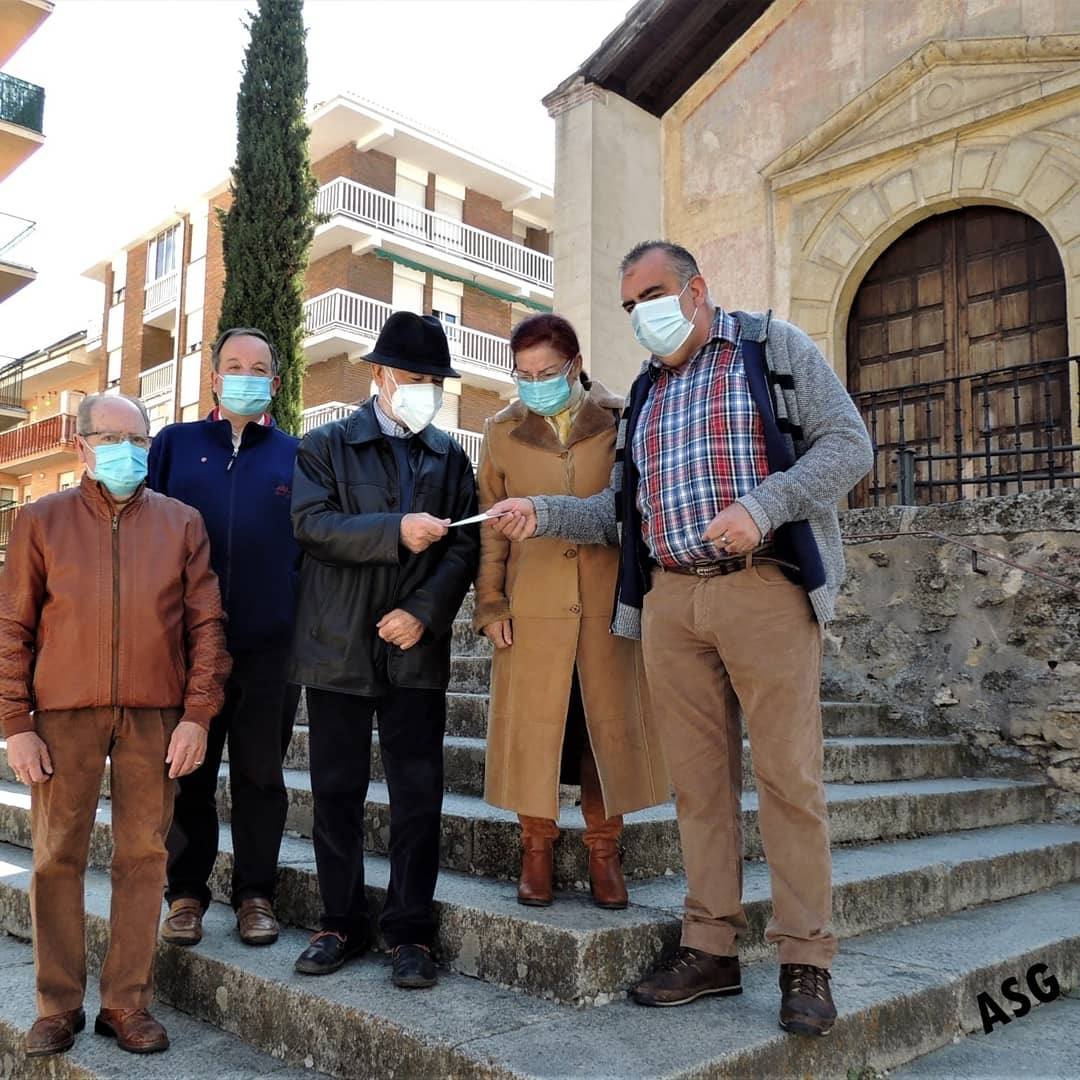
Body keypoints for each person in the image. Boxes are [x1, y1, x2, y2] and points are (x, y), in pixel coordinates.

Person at [488, 241, 874, 1037]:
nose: (643, 315)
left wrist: (764, 507)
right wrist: (544, 513)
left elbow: (848, 444)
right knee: (697, 787)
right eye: (630, 305)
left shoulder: (772, 349)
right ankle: (710, 949)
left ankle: (806, 958)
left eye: (653, 294)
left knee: (788, 781)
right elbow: (614, 515)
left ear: (697, 289)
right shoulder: (646, 394)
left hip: (764, 588)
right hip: (669, 603)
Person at [0, 393, 230, 1058]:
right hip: (63, 714)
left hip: (156, 715)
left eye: (138, 439)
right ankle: (57, 1004)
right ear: (83, 446)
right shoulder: (40, 521)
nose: (127, 451)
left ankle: (127, 1003)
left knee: (143, 858)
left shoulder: (181, 522)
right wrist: (17, 722)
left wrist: (195, 715)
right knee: (54, 858)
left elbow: (206, 624)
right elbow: (12, 626)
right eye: (112, 437)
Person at [289, 312, 479, 990]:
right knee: (336, 791)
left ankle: (410, 932)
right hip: (337, 646)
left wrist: (422, 615)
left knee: (417, 795)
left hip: (413, 652)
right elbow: (314, 527)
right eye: (414, 377)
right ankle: (339, 921)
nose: (426, 389)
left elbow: (463, 548)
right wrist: (396, 528)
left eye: (436, 380)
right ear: (379, 375)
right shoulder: (325, 446)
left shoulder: (451, 458)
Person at [474, 313, 668, 908]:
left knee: (599, 730)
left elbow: (631, 508)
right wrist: (491, 601)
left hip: (608, 604)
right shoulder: (501, 431)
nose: (535, 383)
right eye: (524, 374)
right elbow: (491, 531)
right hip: (531, 605)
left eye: (547, 372)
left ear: (576, 367)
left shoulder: (621, 418)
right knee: (537, 734)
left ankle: (605, 850)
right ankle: (535, 849)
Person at [150, 327, 302, 950]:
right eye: (233, 365)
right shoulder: (175, 445)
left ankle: (256, 894)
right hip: (186, 646)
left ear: (274, 381)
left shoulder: (296, 454)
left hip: (271, 648)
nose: (245, 375)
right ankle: (185, 894)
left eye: (258, 367)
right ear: (213, 377)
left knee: (261, 775)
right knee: (188, 771)